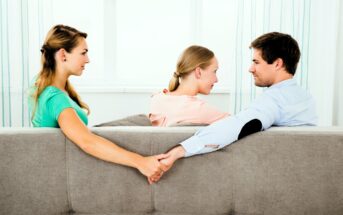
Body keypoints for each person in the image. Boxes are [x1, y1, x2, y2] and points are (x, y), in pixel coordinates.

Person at [156, 32, 318, 180]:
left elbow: (236, 126)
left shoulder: (274, 100)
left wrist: (180, 150)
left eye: (256, 62)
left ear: (277, 64)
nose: (250, 69)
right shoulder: (304, 97)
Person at [28, 24, 167, 184]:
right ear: (63, 55)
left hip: (68, 163)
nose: (87, 59)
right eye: (83, 53)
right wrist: (140, 162)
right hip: (68, 171)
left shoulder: (44, 86)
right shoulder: (55, 98)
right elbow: (87, 142)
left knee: (143, 120)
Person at [149, 45, 229, 126]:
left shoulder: (157, 98)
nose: (216, 79)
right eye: (214, 71)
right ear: (198, 72)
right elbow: (237, 125)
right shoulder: (197, 108)